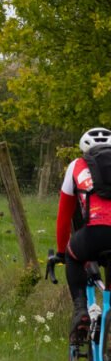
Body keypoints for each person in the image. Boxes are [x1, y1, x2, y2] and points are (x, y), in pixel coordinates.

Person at [55, 127, 111, 342]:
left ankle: (81, 310)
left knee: (73, 255)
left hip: (94, 233)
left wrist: (61, 252)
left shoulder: (76, 166)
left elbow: (64, 218)